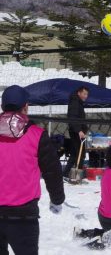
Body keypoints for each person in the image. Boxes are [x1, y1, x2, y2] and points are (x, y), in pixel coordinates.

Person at [0, 85, 65, 255]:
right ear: (26, 106)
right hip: (24, 215)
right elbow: (53, 171)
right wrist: (57, 200)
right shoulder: (37, 134)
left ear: (2, 106)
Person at [63, 86, 89, 178]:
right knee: (79, 153)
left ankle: (66, 174)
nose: (86, 96)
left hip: (77, 130)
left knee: (75, 153)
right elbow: (73, 118)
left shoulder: (78, 102)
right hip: (76, 131)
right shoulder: (75, 102)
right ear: (79, 93)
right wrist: (79, 131)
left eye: (87, 94)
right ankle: (77, 175)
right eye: (84, 94)